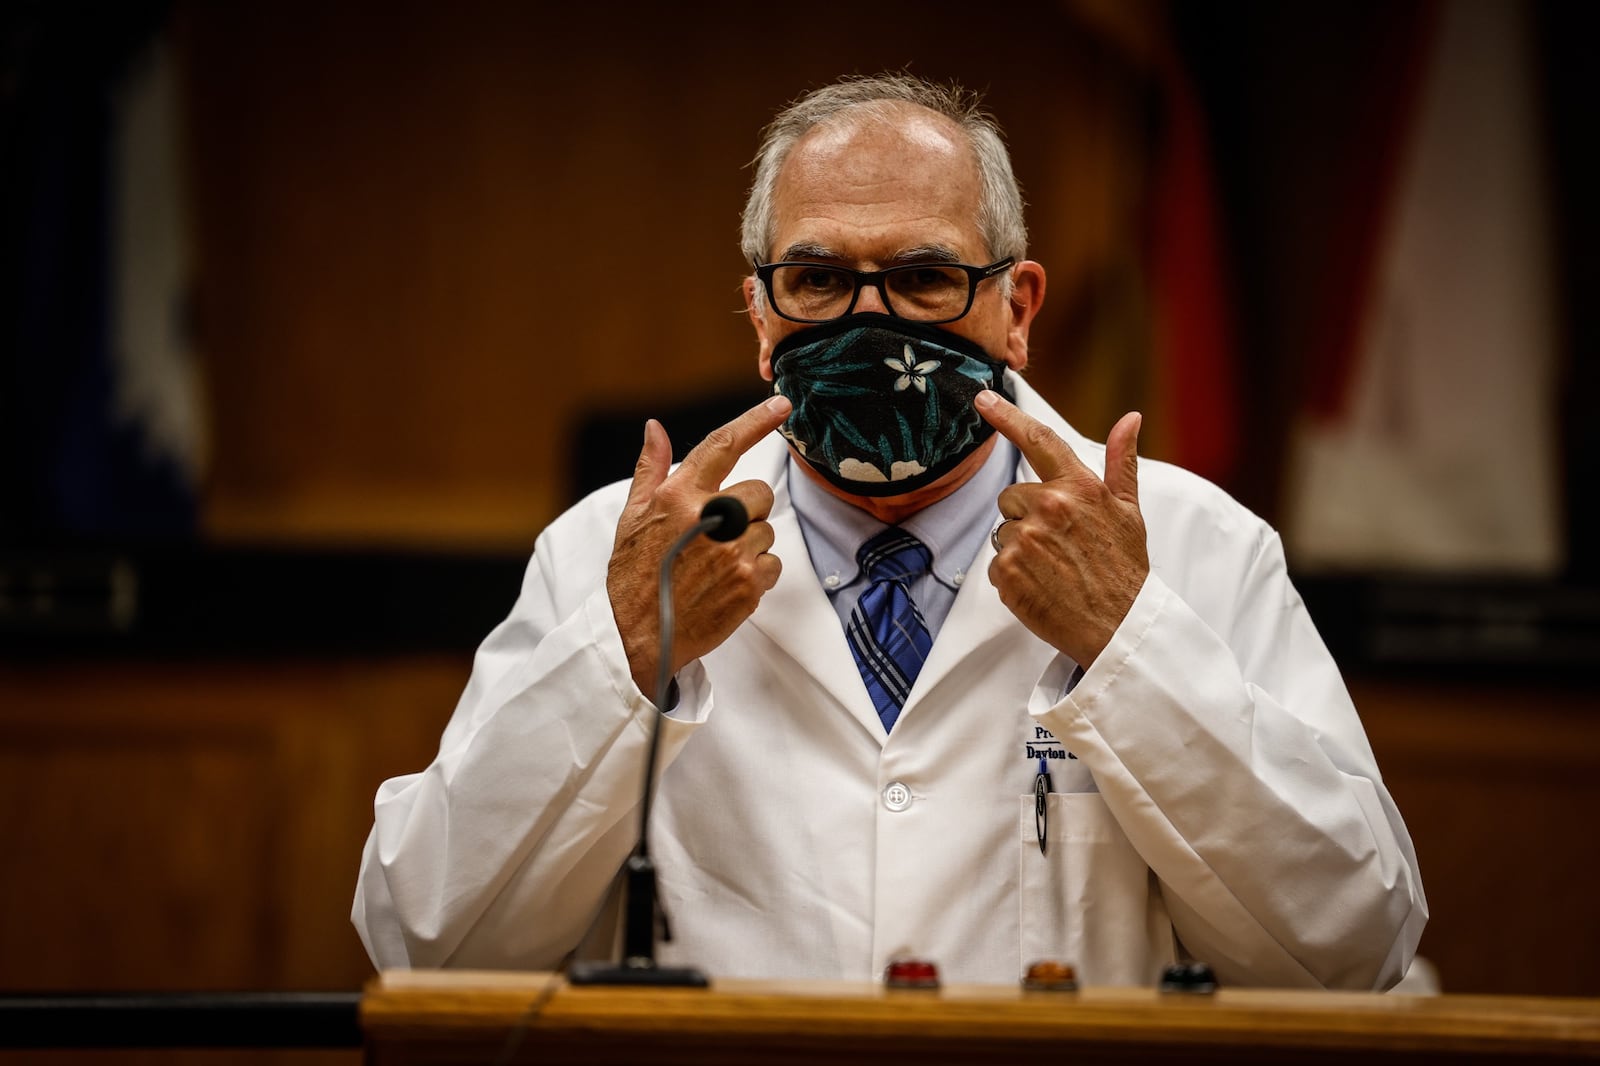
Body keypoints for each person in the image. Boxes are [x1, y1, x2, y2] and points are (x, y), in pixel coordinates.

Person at [352, 73, 1426, 989]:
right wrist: (622, 653)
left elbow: (1353, 947)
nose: (870, 321)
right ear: (762, 314)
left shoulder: (1196, 546)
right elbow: (426, 942)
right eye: (818, 279)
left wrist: (1130, 642)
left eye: (921, 277)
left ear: (1016, 306)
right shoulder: (617, 552)